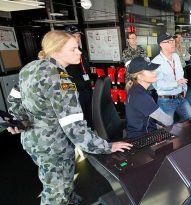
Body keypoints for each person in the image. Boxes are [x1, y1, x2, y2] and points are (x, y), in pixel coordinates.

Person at [6, 30, 132, 205]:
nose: (79, 52)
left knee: (58, 181)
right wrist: (107, 147)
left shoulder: (29, 68)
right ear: (56, 52)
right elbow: (75, 128)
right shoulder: (60, 79)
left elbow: (14, 98)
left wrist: (19, 120)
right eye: (73, 49)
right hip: (54, 146)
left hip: (33, 140)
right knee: (55, 193)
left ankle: (70, 200)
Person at [125, 57, 173, 138]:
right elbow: (167, 121)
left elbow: (144, 117)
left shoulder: (137, 90)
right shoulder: (140, 96)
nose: (155, 73)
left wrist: (156, 126)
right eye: (150, 71)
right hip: (142, 138)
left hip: (141, 133)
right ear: (140, 76)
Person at [152, 32, 191, 121]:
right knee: (166, 130)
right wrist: (176, 83)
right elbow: (158, 85)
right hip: (166, 101)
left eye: (172, 40)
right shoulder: (155, 62)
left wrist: (184, 88)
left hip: (180, 97)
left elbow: (180, 74)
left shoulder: (175, 56)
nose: (173, 43)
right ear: (161, 44)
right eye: (169, 41)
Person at [64, 25, 94, 129]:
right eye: (74, 36)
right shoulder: (65, 55)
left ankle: (91, 131)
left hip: (86, 88)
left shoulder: (81, 52)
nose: (77, 39)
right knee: (80, 115)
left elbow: (85, 68)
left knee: (90, 113)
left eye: (78, 36)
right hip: (75, 89)